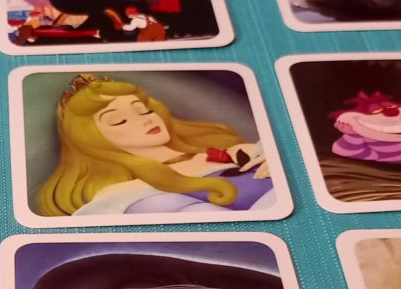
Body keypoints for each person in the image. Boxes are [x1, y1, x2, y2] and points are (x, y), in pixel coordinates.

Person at [36, 75, 276, 217]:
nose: (146, 120)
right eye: (118, 120)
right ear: (91, 138)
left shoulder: (232, 152)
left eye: (144, 111)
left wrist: (282, 162)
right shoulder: (129, 196)